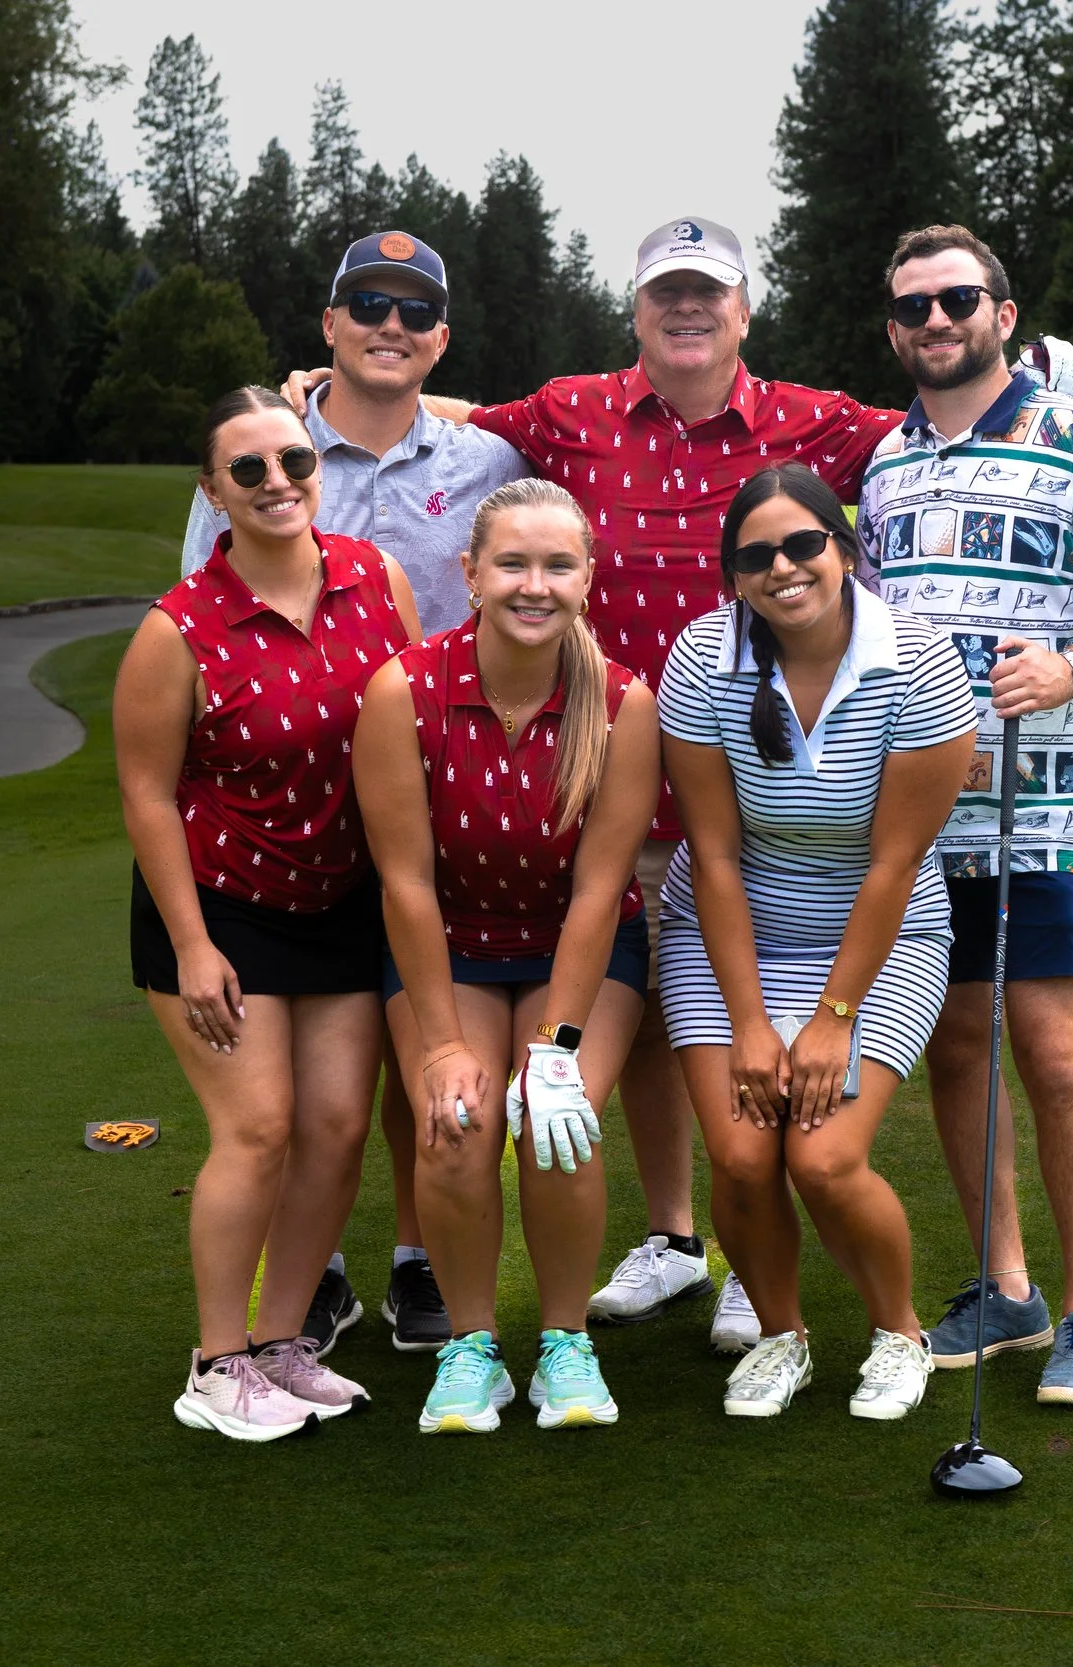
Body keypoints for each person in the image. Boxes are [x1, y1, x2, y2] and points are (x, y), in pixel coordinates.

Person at [285, 217, 1073, 1352]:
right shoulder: (568, 409)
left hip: (755, 783)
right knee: (658, 1010)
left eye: (708, 292)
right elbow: (453, 419)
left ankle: (752, 1258)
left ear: (743, 311)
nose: (687, 309)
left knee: (703, 1008)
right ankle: (673, 1236)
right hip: (602, 769)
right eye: (666, 292)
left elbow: (941, 413)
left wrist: (1046, 372)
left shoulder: (818, 420)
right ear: (637, 312)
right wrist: (321, 398)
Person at [859, 225, 1073, 1408]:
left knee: (1053, 1051)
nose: (935, 320)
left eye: (957, 299)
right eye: (913, 307)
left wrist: (1070, 666)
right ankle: (1004, 1286)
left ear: (1002, 315)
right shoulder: (885, 463)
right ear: (894, 331)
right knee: (957, 1045)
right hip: (925, 813)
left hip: (1050, 810)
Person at [185, 231, 529, 1353]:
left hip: (434, 799)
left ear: (442, 336)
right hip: (279, 812)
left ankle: (417, 1257)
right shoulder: (266, 446)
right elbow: (198, 620)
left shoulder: (485, 459)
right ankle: (314, 1271)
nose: (391, 324)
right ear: (328, 323)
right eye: (368, 304)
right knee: (304, 1079)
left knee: (417, 1035)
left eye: (415, 310)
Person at [115, 385, 420, 1441]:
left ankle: (284, 1341)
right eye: (248, 469)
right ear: (213, 491)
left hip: (344, 900)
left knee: (336, 1127)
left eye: (294, 460)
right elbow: (147, 794)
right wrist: (192, 946)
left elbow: (411, 723)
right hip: (220, 909)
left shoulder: (375, 577)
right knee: (257, 1128)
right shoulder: (177, 627)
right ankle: (216, 1363)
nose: (277, 482)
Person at [657, 464, 978, 1420]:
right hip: (728, 933)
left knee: (824, 1159)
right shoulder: (702, 654)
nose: (784, 569)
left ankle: (900, 1334)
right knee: (744, 1156)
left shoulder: (919, 662)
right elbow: (714, 856)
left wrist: (834, 1018)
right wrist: (752, 1024)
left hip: (881, 935)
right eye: (757, 556)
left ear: (843, 548)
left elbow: (894, 863)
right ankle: (780, 1336)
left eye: (803, 544)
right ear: (734, 575)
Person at [355, 478, 661, 1433]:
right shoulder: (405, 689)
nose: (535, 585)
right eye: (513, 563)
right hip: (448, 943)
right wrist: (443, 1046)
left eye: (558, 565)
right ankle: (471, 1346)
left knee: (558, 1117)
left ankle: (566, 1341)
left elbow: (599, 890)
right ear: (471, 573)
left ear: (587, 578)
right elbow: (405, 883)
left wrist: (557, 1047)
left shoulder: (622, 701)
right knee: (455, 1121)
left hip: (580, 945)